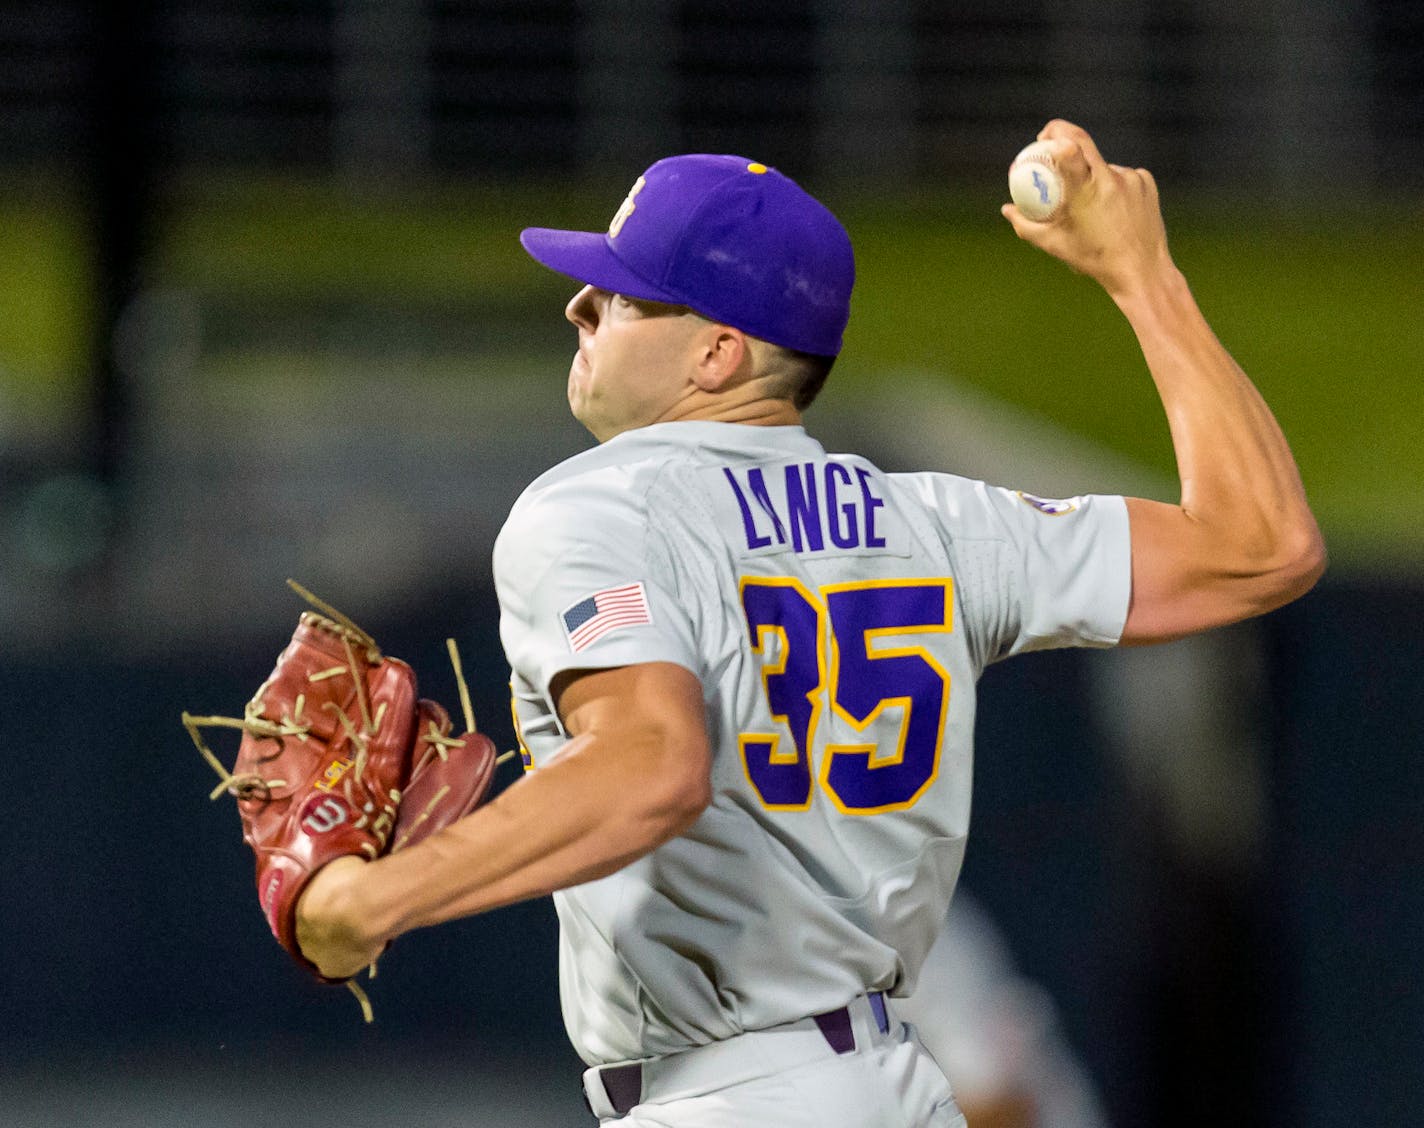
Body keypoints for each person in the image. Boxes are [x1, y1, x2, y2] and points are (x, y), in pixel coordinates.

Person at [293, 120, 1325, 1126]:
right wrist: (1143, 277)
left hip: (726, 1094)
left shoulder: (597, 507)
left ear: (717, 355)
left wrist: (367, 904)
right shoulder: (938, 524)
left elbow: (652, 763)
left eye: (620, 294)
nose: (578, 305)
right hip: (894, 1084)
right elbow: (1259, 545)